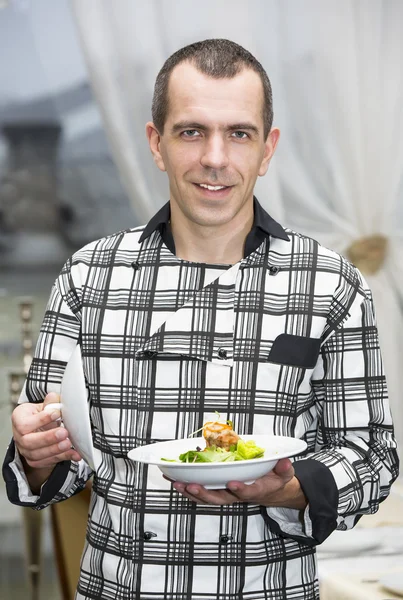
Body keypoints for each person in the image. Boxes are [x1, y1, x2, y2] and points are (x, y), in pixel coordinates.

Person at [3, 39, 399, 600]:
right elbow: (55, 461)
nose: (216, 158)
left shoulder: (330, 284)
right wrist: (35, 454)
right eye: (192, 131)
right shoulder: (88, 275)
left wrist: (286, 489)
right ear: (156, 143)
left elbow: (372, 456)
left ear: (267, 149)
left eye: (239, 133)